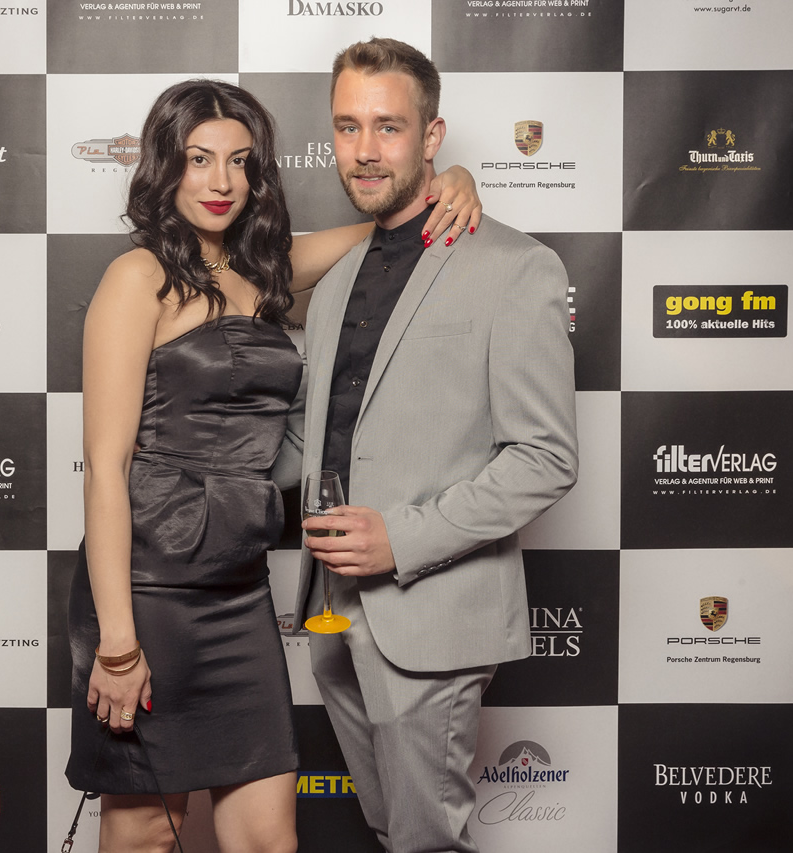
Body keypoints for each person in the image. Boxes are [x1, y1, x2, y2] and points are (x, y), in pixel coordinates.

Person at [64, 78, 483, 853]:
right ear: (165, 165)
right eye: (198, 159)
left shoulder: (263, 269)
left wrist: (448, 180)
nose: (221, 181)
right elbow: (104, 465)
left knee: (267, 836)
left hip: (238, 589)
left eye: (239, 161)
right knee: (145, 830)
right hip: (149, 591)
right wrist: (117, 643)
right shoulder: (138, 278)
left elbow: (380, 227)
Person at [273, 39, 579, 853]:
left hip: (431, 613)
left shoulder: (515, 266)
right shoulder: (336, 281)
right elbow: (319, 432)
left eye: (389, 127)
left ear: (432, 135)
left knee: (425, 840)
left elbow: (547, 456)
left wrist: (401, 539)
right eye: (348, 127)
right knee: (393, 832)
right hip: (333, 608)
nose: (365, 150)